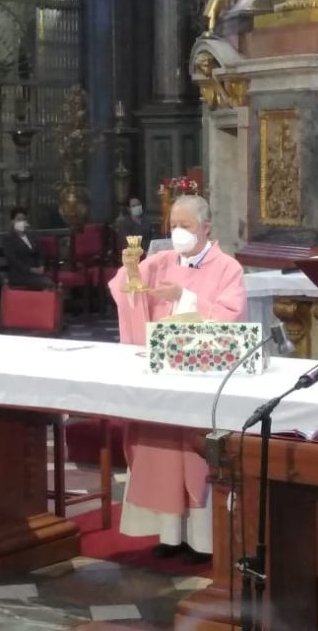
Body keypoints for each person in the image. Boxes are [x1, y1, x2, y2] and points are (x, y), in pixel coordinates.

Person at [108, 195, 247, 562]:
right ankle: (169, 534)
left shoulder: (227, 267)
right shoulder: (163, 260)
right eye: (173, 225)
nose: (178, 233)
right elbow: (126, 290)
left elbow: (229, 317)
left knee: (193, 453)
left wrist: (184, 297)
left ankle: (201, 541)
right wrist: (131, 269)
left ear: (206, 228)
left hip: (199, 377)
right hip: (161, 372)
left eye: (185, 226)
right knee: (160, 451)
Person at [3, 207, 56, 290]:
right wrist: (31, 269)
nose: (22, 222)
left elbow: (40, 253)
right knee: (48, 284)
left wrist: (41, 265)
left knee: (51, 283)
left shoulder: (32, 236)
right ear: (12, 221)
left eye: (24, 219)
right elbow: (13, 260)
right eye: (19, 219)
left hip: (37, 272)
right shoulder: (9, 238)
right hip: (19, 274)